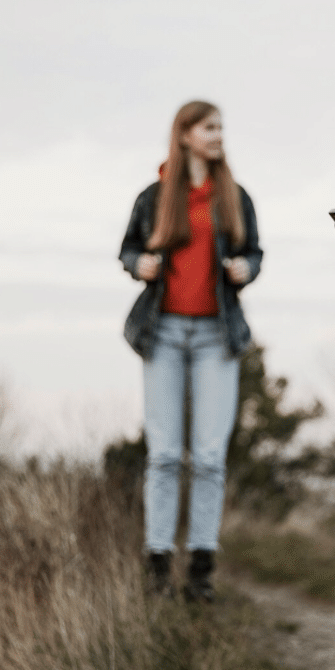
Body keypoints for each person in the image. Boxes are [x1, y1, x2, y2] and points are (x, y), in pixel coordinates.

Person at [119, 100, 262, 603]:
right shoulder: (155, 197)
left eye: (222, 126)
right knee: (163, 455)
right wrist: (140, 266)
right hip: (163, 333)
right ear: (184, 135)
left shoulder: (234, 197)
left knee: (207, 457)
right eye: (210, 127)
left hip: (214, 337)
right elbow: (128, 250)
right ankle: (157, 568)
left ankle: (200, 572)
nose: (219, 134)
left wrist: (246, 267)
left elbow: (254, 253)